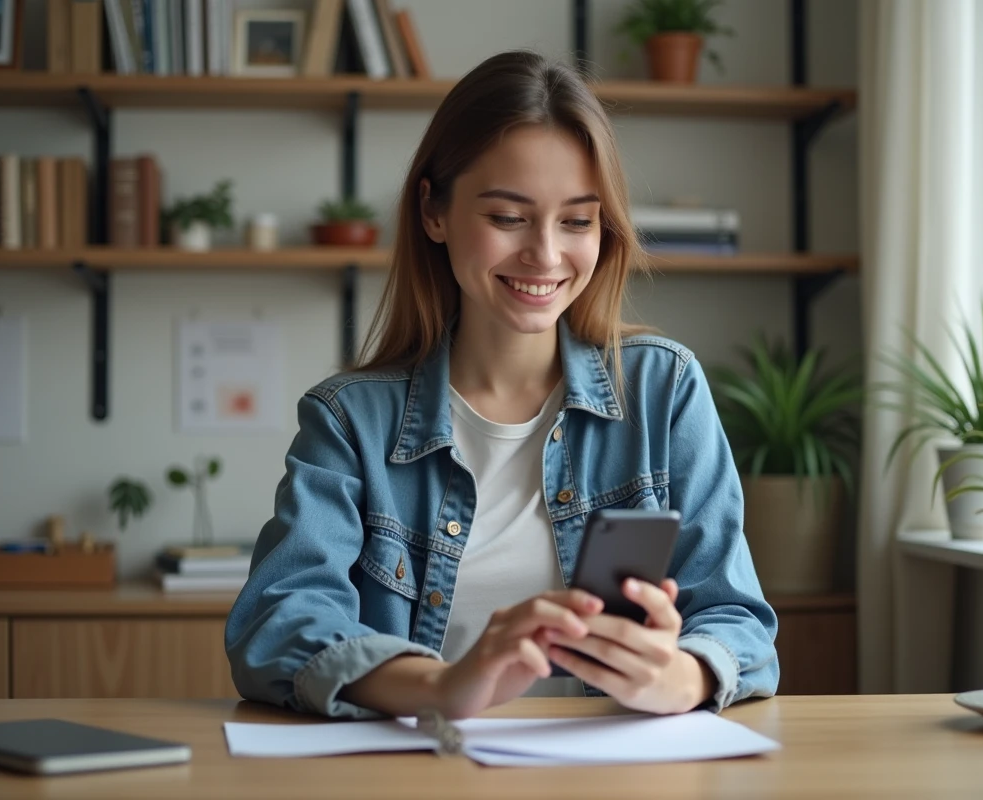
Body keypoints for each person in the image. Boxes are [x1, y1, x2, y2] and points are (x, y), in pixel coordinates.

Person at [224, 50, 778, 721]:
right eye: (508, 218)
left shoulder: (665, 390)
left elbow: (738, 619)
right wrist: (443, 688)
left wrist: (680, 678)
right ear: (433, 212)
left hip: (617, 764)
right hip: (420, 764)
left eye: (577, 220)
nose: (545, 254)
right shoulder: (349, 422)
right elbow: (277, 622)